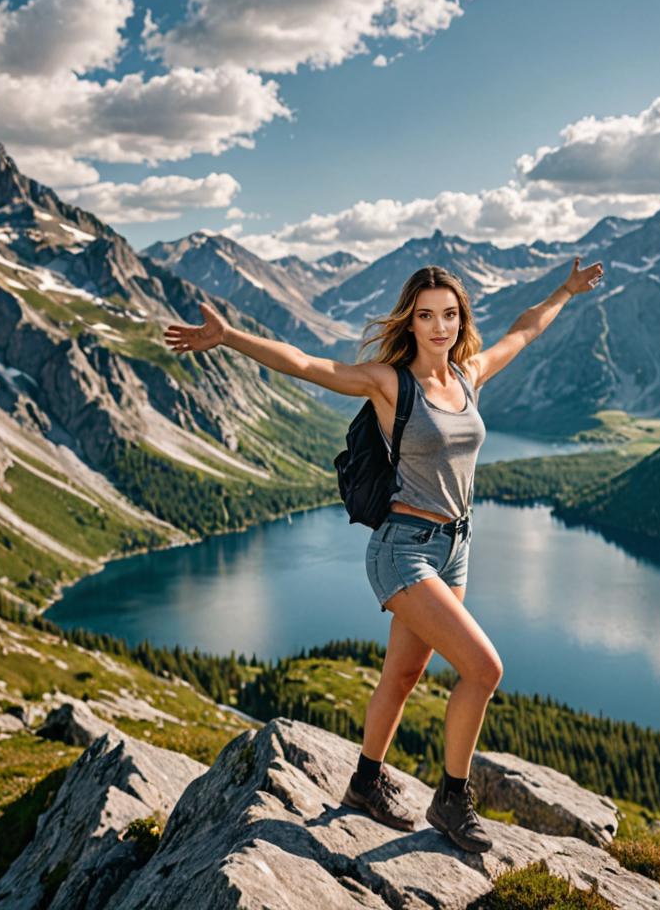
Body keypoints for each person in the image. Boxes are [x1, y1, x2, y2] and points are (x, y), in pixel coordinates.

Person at [163, 254, 604, 852]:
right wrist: (229, 337)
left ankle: (364, 782)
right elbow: (308, 364)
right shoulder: (391, 383)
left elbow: (523, 329)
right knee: (484, 669)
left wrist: (566, 290)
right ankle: (451, 797)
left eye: (450, 315)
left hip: (456, 548)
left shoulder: (469, 375)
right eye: (427, 316)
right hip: (403, 550)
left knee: (403, 673)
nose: (440, 327)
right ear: (411, 322)